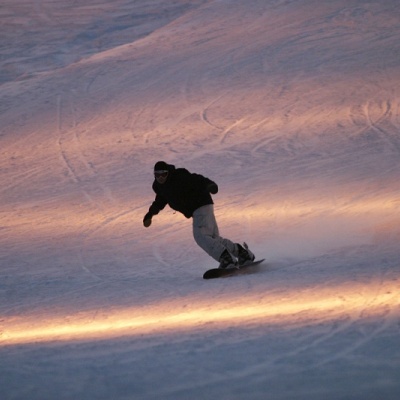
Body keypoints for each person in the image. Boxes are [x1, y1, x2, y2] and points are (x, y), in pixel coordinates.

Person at [143, 161, 255, 269]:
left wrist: (210, 184)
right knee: (213, 238)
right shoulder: (160, 187)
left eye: (163, 174)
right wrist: (150, 213)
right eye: (157, 175)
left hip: (199, 204)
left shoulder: (179, 176)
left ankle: (225, 258)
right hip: (203, 206)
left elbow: (196, 179)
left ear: (168, 172)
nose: (160, 178)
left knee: (201, 236)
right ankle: (242, 254)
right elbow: (161, 200)